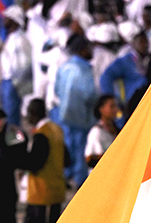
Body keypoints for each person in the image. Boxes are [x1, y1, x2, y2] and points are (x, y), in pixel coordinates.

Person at [21, 97, 66, 223]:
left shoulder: (41, 135)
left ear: (33, 115)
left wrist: (18, 159)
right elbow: (66, 158)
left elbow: (35, 163)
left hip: (42, 193)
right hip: (57, 189)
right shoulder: (57, 130)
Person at [54, 34, 97, 189]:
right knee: (81, 150)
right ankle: (80, 181)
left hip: (64, 115)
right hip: (82, 118)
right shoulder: (84, 70)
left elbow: (57, 89)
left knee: (67, 147)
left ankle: (65, 175)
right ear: (82, 50)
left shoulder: (64, 67)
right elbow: (90, 94)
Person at [84, 93, 119, 169]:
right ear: (101, 109)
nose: (115, 109)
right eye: (112, 106)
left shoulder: (116, 130)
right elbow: (91, 159)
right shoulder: (96, 132)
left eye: (116, 106)